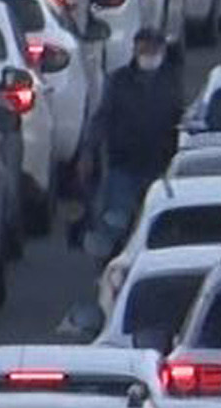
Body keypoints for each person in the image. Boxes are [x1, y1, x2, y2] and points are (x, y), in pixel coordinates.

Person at [77, 27, 181, 251]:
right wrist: (88, 152)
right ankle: (109, 266)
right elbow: (102, 118)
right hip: (123, 166)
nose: (149, 54)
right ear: (135, 49)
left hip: (160, 167)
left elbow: (179, 117)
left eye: (154, 48)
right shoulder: (119, 81)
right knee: (116, 222)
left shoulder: (171, 81)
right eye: (144, 48)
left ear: (162, 50)